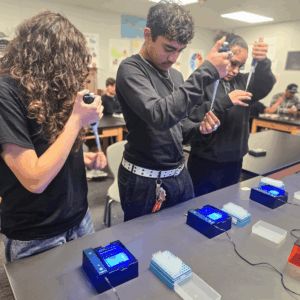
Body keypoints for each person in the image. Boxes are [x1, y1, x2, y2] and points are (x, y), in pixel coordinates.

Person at [0, 11, 106, 262]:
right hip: (38, 233)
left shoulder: (49, 88)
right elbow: (34, 179)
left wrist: (84, 158)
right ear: (47, 60)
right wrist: (77, 119)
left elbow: (50, 146)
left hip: (79, 219)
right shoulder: (5, 93)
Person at [116, 0, 231, 222]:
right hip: (143, 180)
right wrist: (206, 69)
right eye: (168, 48)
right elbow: (160, 116)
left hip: (179, 174)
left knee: (184, 236)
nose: (173, 58)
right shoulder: (130, 69)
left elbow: (178, 126)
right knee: (144, 244)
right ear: (148, 35)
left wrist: (200, 129)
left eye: (180, 50)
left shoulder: (176, 76)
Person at [187, 33, 276, 197]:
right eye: (233, 63)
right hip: (205, 161)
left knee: (227, 202)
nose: (236, 70)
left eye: (241, 66)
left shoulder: (243, 82)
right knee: (200, 207)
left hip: (235, 160)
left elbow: (265, 83)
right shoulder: (201, 80)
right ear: (221, 55)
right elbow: (190, 118)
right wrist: (225, 101)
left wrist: (263, 63)